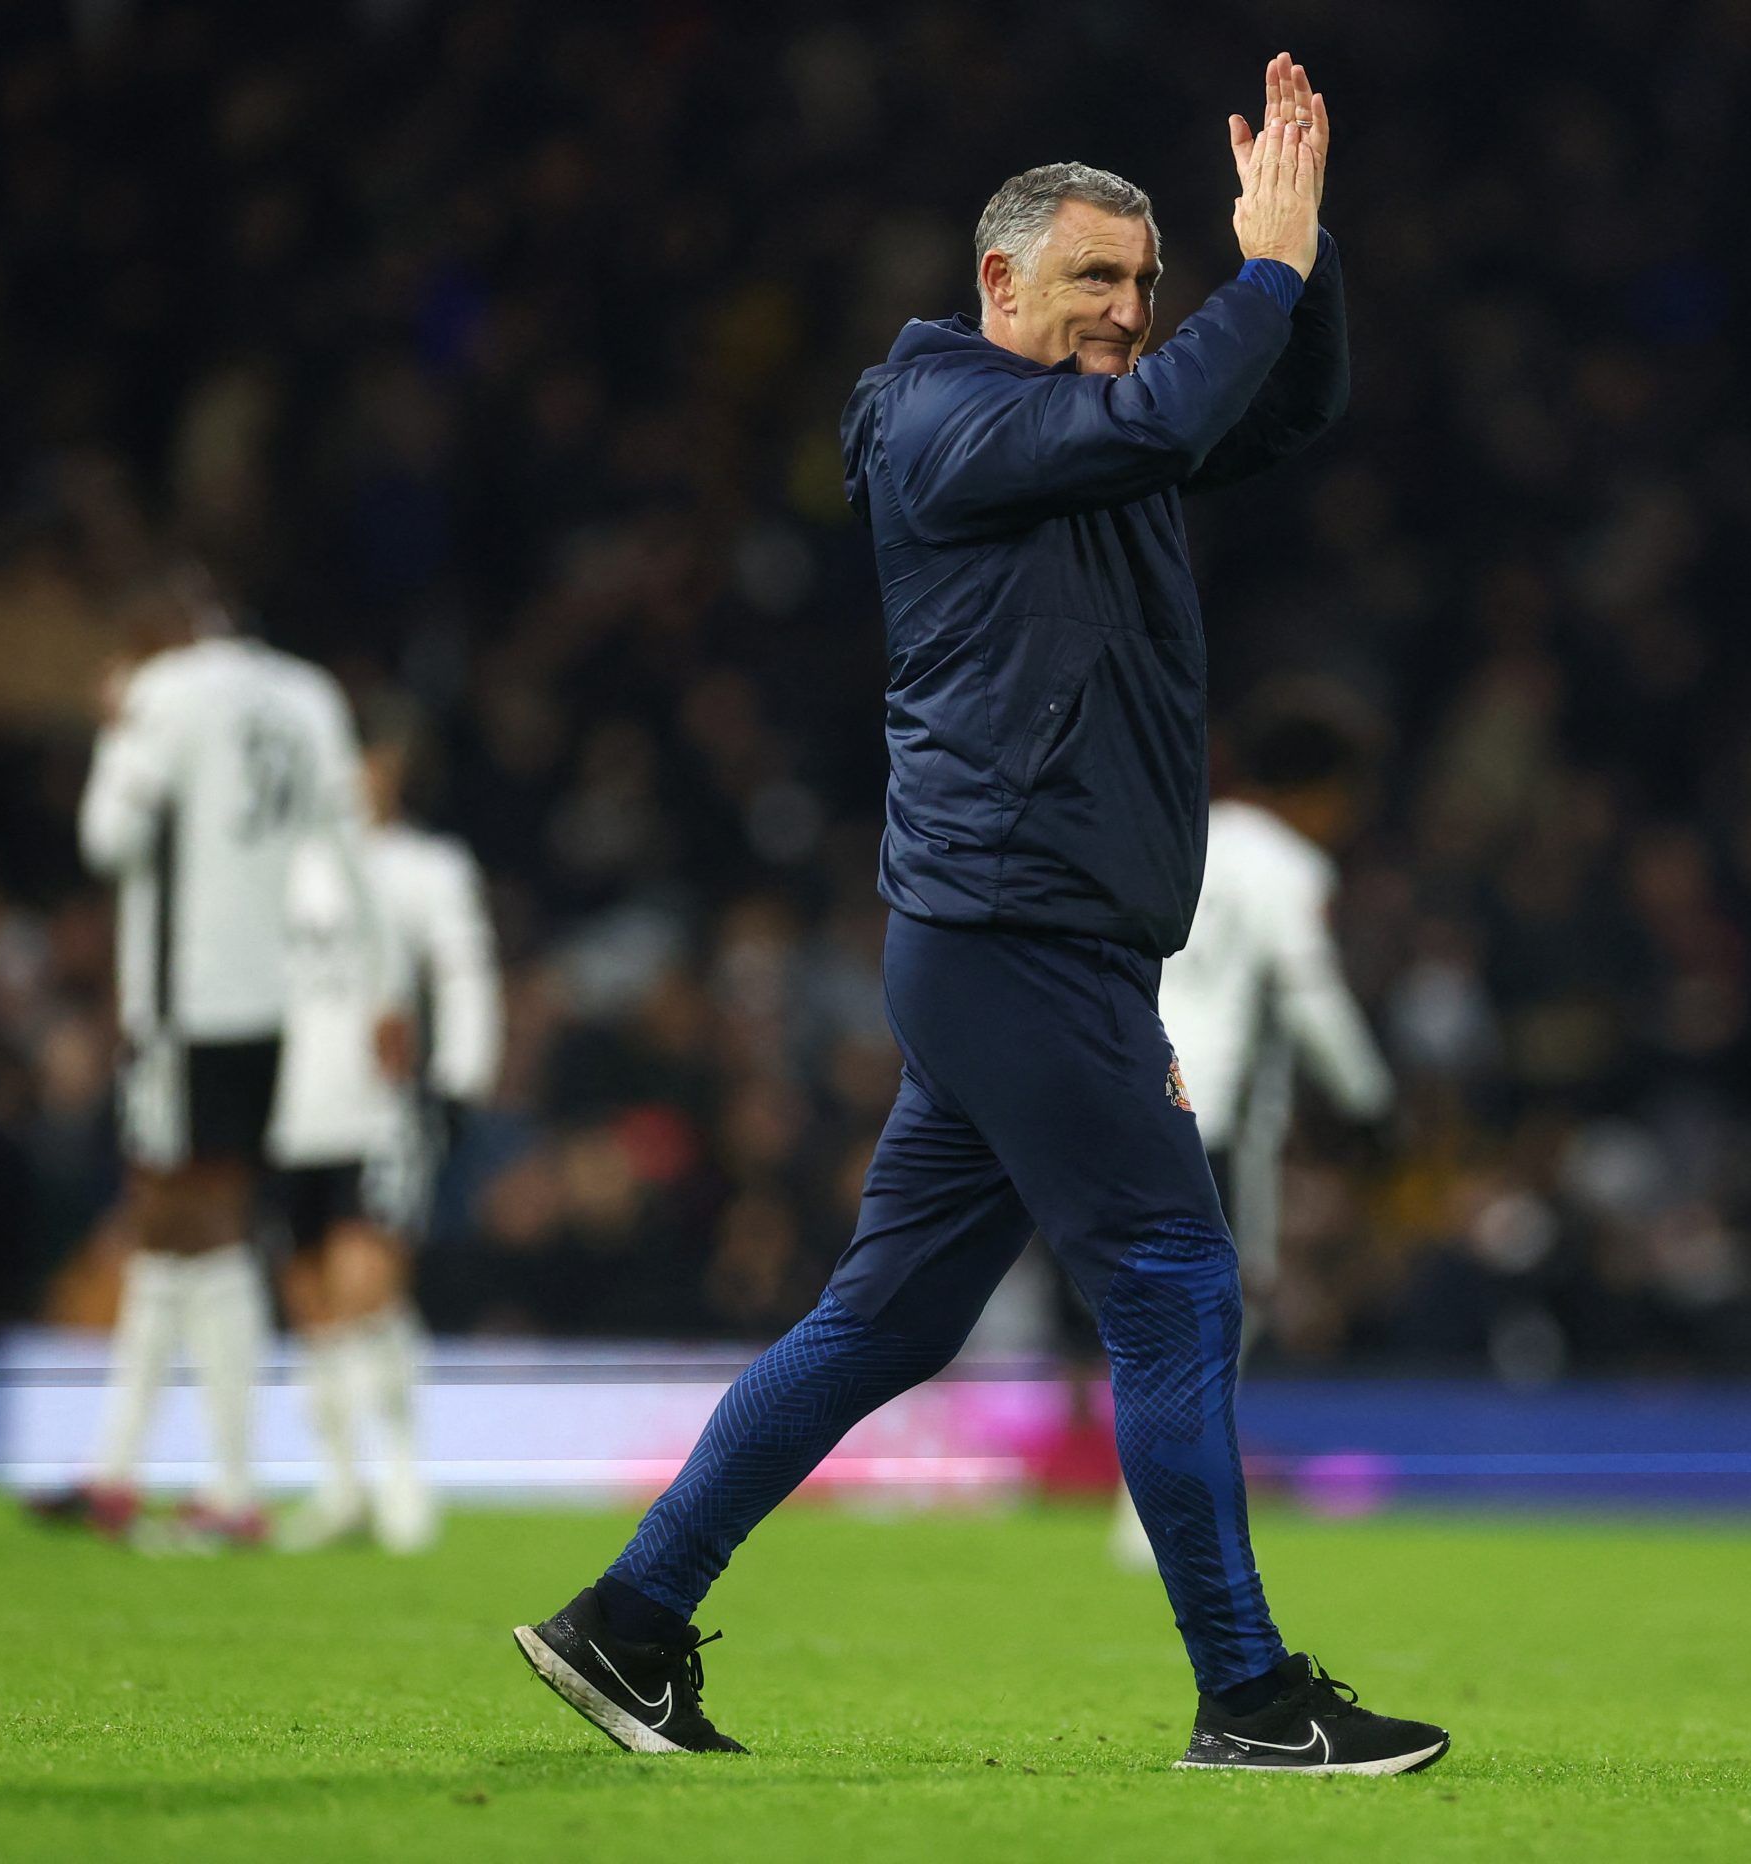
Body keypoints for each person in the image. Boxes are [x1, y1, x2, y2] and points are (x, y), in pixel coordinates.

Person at [515, 54, 1449, 1774]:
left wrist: (1298, 259)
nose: (1126, 311)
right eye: (1094, 277)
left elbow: (1277, 413)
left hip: (1021, 935)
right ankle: (1247, 1693)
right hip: (1018, 928)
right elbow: (1173, 410)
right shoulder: (954, 416)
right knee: (1172, 1281)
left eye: (1145, 284)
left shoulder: (1089, 441)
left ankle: (627, 1622)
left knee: (888, 1318)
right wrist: (1266, 276)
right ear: (995, 280)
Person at [30, 560, 383, 1549]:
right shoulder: (307, 692)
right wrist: (377, 984)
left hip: (184, 997)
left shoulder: (164, 693)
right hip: (270, 996)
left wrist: (116, 729)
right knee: (171, 1222)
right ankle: (116, 1469)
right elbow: (345, 841)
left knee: (197, 1221)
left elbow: (108, 838)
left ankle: (231, 1486)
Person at [1105, 684, 1394, 1566]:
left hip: (1127, 1082)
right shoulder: (1287, 866)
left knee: (1166, 1304)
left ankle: (1147, 1505)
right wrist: (1370, 1100)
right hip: (1213, 1107)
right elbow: (1309, 995)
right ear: (1323, 789)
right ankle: (1155, 1516)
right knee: (1222, 1305)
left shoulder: (1185, 838)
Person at [274, 702, 501, 1554]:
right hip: (288, 1107)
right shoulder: (287, 866)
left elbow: (464, 971)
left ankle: (404, 1475)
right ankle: (339, 1486)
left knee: (369, 1283)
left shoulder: (425, 867)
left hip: (376, 1108)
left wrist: (459, 1080)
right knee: (309, 1298)